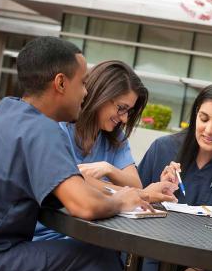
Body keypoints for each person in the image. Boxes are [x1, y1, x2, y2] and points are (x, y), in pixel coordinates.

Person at [0, 36, 177, 271]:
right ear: (60, 83)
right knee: (99, 260)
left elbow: (75, 189)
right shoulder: (43, 128)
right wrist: (121, 201)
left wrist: (134, 194)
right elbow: (84, 205)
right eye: (82, 83)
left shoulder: (6, 111)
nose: (86, 92)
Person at [138, 83, 212, 271]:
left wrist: (195, 269)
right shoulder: (162, 149)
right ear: (195, 114)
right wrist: (158, 194)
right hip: (153, 255)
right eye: (204, 118)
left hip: (209, 265)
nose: (209, 130)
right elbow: (131, 207)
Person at [34, 59, 149, 241]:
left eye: (129, 111)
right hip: (49, 235)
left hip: (90, 235)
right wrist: (120, 194)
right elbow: (73, 182)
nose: (125, 118)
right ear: (100, 95)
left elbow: (135, 186)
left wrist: (108, 169)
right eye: (121, 108)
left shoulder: (115, 138)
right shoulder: (59, 129)